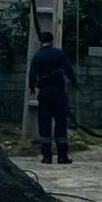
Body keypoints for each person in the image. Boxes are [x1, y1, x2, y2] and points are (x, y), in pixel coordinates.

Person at [29, 30, 77, 164]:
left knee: (44, 123)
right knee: (61, 122)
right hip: (59, 92)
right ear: (52, 40)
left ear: (41, 41)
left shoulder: (37, 56)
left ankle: (46, 156)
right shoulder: (59, 53)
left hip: (44, 93)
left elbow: (32, 73)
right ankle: (62, 156)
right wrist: (74, 82)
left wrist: (32, 86)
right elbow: (68, 69)